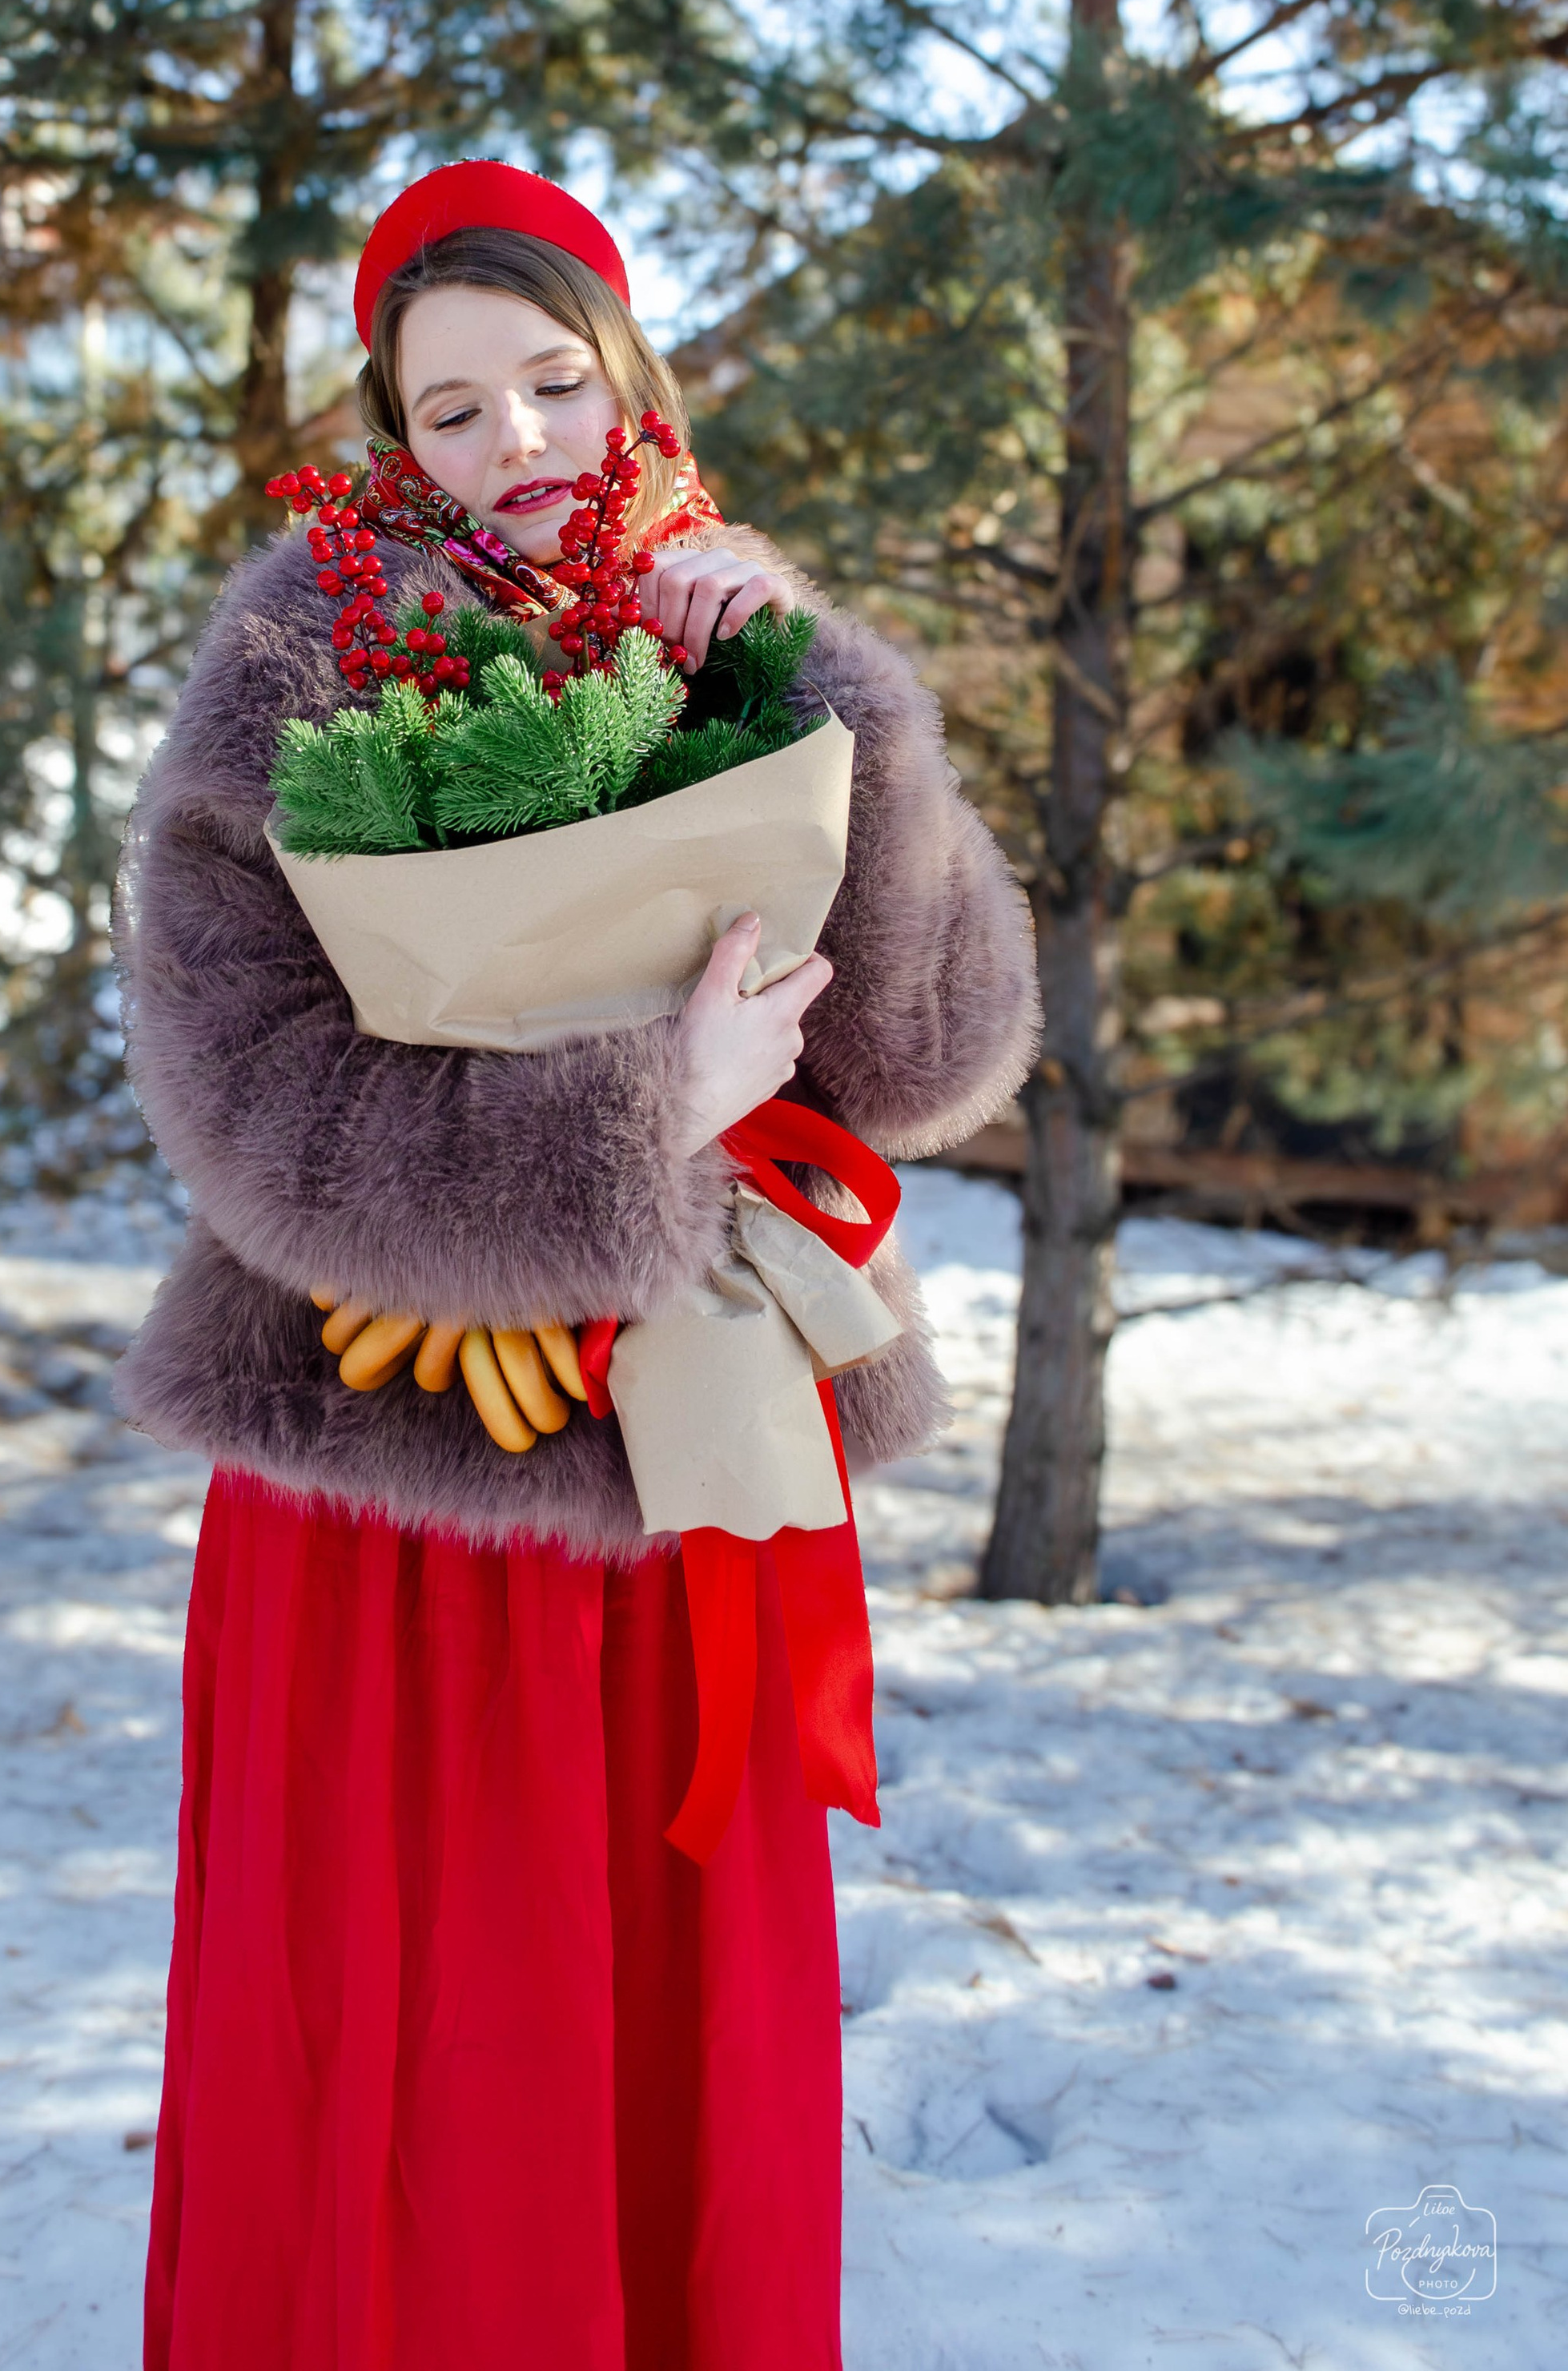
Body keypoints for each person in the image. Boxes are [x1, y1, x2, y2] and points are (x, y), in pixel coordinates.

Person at [115, 160, 1039, 2371]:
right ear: (389, 436)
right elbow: (251, 1110)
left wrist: (850, 708)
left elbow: (936, 1047)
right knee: (419, 2043)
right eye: (453, 411)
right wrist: (651, 1107)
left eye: (552, 381)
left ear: (627, 378)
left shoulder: (733, 624)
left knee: (663, 2036)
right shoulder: (293, 663)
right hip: (390, 1500)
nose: (514, 443)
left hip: (681, 1474)